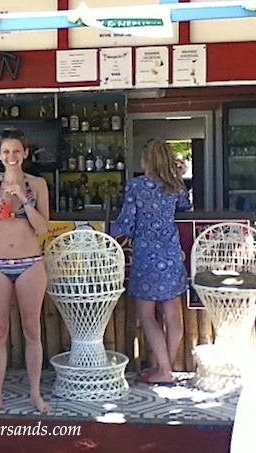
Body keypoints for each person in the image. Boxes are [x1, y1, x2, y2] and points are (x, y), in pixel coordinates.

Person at [0, 128, 51, 414]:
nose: (11, 157)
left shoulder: (37, 184)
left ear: (25, 154)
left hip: (30, 261)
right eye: (6, 152)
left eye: (16, 151)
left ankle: (35, 393)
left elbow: (43, 227)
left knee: (32, 330)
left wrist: (24, 198)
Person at [112, 139, 191, 385]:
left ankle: (164, 370)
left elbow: (125, 223)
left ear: (147, 159)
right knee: (173, 315)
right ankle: (164, 367)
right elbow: (186, 206)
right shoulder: (175, 186)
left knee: (147, 315)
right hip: (171, 256)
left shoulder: (136, 186)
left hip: (146, 257)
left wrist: (110, 234)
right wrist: (181, 175)